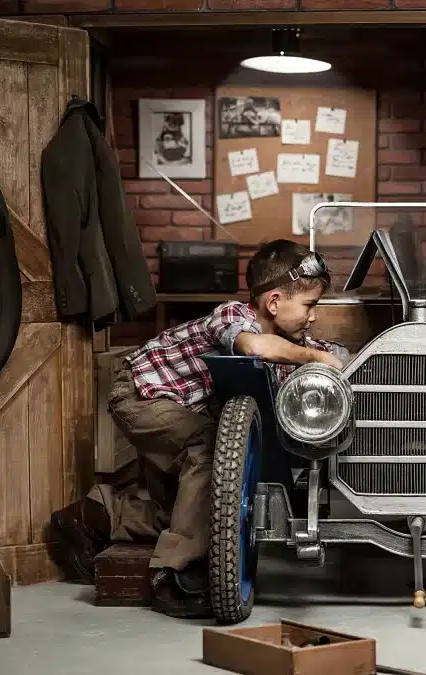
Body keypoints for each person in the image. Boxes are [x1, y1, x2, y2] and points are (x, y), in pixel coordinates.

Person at [50, 239, 348, 619]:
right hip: (142, 395)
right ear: (274, 303)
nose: (313, 316)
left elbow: (327, 353)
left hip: (180, 409)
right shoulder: (232, 317)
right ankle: (173, 576)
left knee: (196, 508)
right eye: (309, 305)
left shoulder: (290, 345)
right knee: (212, 454)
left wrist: (341, 359)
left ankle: (95, 514)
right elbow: (256, 348)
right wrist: (318, 357)